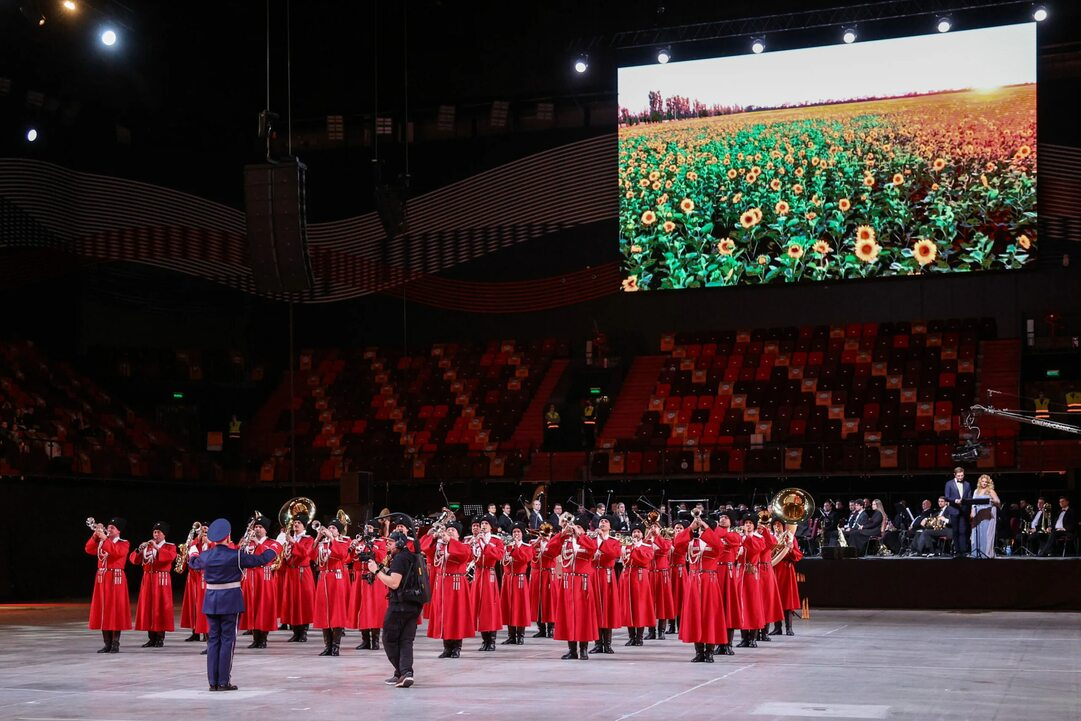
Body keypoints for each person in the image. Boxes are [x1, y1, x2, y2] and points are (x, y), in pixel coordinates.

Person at [187, 518, 278, 692]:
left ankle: (212, 682)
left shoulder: (205, 555)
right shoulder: (235, 554)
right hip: (230, 600)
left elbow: (193, 562)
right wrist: (277, 545)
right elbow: (262, 559)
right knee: (227, 641)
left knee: (213, 640)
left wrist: (192, 549)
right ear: (228, 536)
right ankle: (223, 682)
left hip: (210, 600)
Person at [369, 530, 424, 688]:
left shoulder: (399, 559)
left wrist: (376, 571)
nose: (388, 544)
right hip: (414, 603)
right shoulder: (411, 556)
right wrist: (383, 569)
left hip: (401, 605)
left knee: (389, 639)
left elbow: (394, 583)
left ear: (400, 543)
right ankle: (405, 672)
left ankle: (403, 672)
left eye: (391, 542)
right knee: (406, 640)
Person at [543, 513, 598, 660]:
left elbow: (592, 549)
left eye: (579, 526)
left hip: (582, 582)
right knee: (568, 616)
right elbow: (549, 550)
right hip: (568, 582)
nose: (575, 529)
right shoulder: (565, 542)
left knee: (583, 617)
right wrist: (561, 534)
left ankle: (584, 649)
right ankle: (572, 649)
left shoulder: (588, 540)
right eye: (574, 526)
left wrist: (580, 536)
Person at [674, 515, 727, 662]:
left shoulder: (713, 540)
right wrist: (690, 528)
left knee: (709, 615)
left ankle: (709, 651)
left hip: (709, 581)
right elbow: (677, 543)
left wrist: (707, 528)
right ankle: (699, 651)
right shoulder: (692, 542)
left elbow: (719, 546)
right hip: (694, 581)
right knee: (695, 616)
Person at [426, 521, 474, 658]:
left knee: (456, 615)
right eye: (449, 529)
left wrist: (450, 541)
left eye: (453, 530)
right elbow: (424, 548)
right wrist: (432, 536)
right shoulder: (440, 546)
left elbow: (464, 555)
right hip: (442, 583)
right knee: (444, 614)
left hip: (456, 584)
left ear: (458, 534)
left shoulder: (463, 546)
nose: (450, 532)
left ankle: (457, 647)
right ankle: (447, 646)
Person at [85, 517, 132, 653]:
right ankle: (107, 643)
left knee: (115, 610)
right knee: (103, 609)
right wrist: (95, 536)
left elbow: (117, 552)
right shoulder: (101, 542)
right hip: (102, 578)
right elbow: (88, 549)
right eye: (108, 527)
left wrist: (105, 539)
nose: (109, 529)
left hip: (116, 579)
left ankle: (115, 643)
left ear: (118, 531)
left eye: (112, 528)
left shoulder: (124, 543)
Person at [130, 522, 177, 648]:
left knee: (161, 607)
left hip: (161, 579)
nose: (156, 534)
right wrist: (139, 550)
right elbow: (134, 560)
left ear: (164, 534)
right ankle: (151, 638)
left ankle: (160, 638)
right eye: (154, 532)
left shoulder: (169, 546)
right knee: (148, 607)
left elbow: (170, 557)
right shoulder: (148, 546)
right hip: (148, 579)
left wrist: (157, 547)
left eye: (158, 532)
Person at [238, 516, 280, 649]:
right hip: (249, 578)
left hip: (264, 579)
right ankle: (255, 638)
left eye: (260, 527)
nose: (257, 529)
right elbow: (240, 557)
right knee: (251, 607)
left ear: (266, 530)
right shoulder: (248, 542)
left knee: (263, 607)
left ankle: (263, 639)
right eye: (256, 527)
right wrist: (242, 545)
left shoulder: (273, 543)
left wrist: (257, 543)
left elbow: (266, 558)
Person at [312, 520, 351, 656]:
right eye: (329, 527)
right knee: (324, 611)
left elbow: (341, 555)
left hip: (336, 578)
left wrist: (332, 538)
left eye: (333, 528)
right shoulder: (322, 544)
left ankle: (336, 647)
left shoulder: (343, 542)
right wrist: (317, 538)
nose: (330, 529)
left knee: (336, 611)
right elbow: (311, 555)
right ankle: (327, 646)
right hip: (323, 578)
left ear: (338, 531)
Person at [279, 514, 315, 642]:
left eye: (298, 522)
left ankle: (303, 632)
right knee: (291, 601)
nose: (295, 524)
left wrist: (293, 543)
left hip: (302, 572)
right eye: (294, 522)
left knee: (303, 601)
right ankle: (295, 631)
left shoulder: (309, 539)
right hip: (290, 572)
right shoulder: (290, 539)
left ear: (304, 525)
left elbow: (305, 553)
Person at [589, 516, 622, 654]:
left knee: (607, 608)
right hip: (594, 574)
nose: (603, 523)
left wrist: (603, 541)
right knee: (596, 608)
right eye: (601, 521)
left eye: (606, 521)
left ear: (610, 526)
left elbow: (614, 554)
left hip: (607, 575)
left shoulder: (614, 541)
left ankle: (607, 643)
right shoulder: (591, 540)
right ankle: (597, 643)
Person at [472, 517, 505, 650]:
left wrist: (486, 544)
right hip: (479, 573)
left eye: (486, 524)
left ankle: (491, 639)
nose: (483, 526)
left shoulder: (496, 540)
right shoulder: (475, 539)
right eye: (482, 524)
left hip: (489, 573)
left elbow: (499, 555)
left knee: (490, 606)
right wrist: (475, 543)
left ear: (491, 526)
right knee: (478, 606)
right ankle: (484, 639)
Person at [499, 524, 534, 645]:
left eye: (518, 532)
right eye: (514, 532)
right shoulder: (507, 547)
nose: (516, 534)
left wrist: (515, 549)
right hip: (508, 578)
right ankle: (511, 635)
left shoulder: (527, 547)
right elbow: (503, 561)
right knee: (508, 606)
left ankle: (520, 635)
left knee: (520, 607)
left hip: (519, 579)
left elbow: (524, 559)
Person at [770, 520, 803, 636]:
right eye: (774, 525)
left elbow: (798, 556)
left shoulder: (790, 538)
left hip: (786, 570)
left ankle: (789, 628)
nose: (776, 527)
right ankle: (777, 627)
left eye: (779, 525)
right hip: (773, 569)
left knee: (787, 598)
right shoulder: (771, 538)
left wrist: (791, 548)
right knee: (775, 599)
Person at [180, 523, 210, 644]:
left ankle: (206, 632)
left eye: (206, 530)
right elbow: (190, 553)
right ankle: (195, 631)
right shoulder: (195, 542)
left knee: (203, 604)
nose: (203, 533)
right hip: (193, 576)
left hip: (205, 576)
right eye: (202, 530)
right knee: (192, 603)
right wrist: (197, 539)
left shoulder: (211, 543)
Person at [529, 522, 557, 638]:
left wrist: (549, 540)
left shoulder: (553, 543)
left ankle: (551, 628)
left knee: (550, 601)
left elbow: (554, 553)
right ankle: (541, 628)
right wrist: (537, 541)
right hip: (537, 574)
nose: (545, 534)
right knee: (538, 600)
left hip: (549, 573)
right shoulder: (533, 543)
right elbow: (529, 553)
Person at [970, 475, 1001, 558]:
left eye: (986, 482)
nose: (984, 483)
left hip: (987, 515)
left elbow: (998, 501)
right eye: (983, 481)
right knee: (977, 533)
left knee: (985, 534)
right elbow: (973, 503)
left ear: (988, 483)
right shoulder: (976, 491)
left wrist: (991, 500)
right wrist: (972, 513)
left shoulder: (990, 491)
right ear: (980, 482)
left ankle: (986, 553)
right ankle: (976, 553)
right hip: (978, 514)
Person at [945, 467, 973, 556]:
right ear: (954, 475)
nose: (960, 477)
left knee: (963, 531)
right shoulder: (949, 484)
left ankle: (963, 551)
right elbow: (947, 497)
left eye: (962, 475)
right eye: (959, 476)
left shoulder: (967, 484)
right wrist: (955, 500)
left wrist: (964, 501)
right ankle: (957, 551)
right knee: (955, 531)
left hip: (964, 510)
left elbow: (969, 498)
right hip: (954, 510)